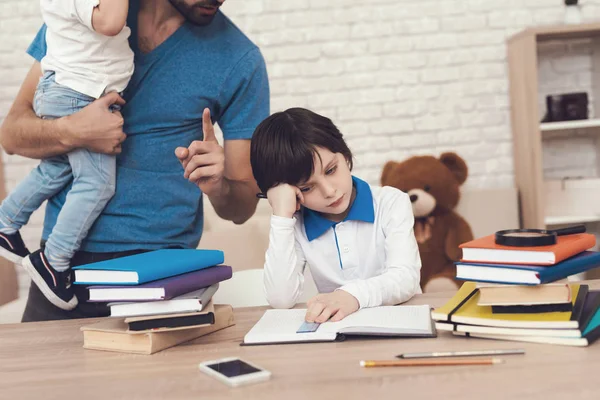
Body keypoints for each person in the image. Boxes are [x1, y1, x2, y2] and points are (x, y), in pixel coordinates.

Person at [0, 0, 269, 322]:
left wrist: (218, 184)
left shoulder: (239, 58)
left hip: (161, 274)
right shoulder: (91, 13)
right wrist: (72, 131)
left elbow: (241, 209)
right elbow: (12, 135)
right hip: (59, 266)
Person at [0, 0, 134, 311]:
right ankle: (53, 261)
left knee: (57, 169)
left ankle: (6, 221)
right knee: (97, 183)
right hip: (76, 94)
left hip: (71, 89)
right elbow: (111, 21)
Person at [250, 108, 422, 323]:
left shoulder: (390, 202)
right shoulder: (295, 224)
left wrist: (351, 296)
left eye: (331, 170)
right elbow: (280, 299)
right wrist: (282, 217)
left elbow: (406, 278)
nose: (329, 191)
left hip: (404, 324)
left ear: (345, 154)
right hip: (339, 336)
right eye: (306, 188)